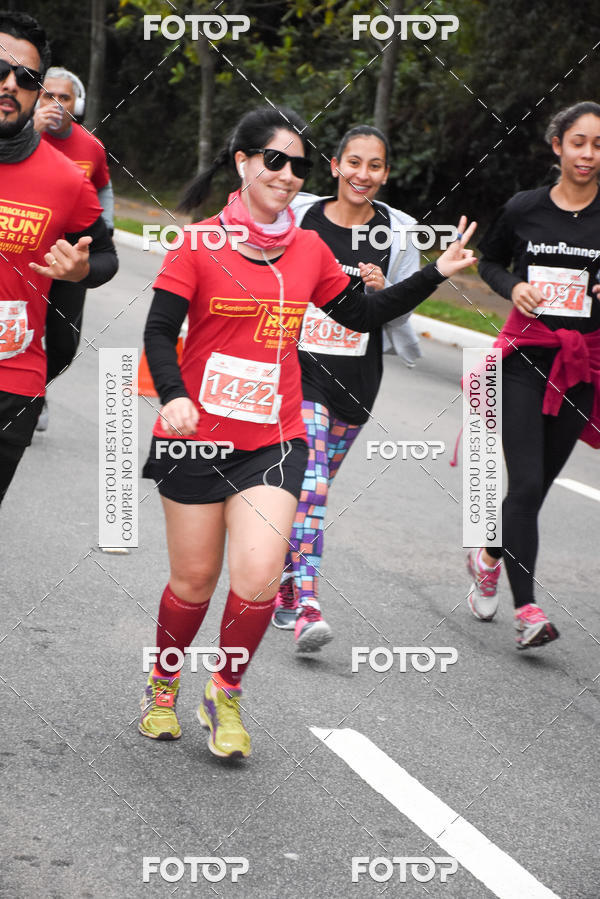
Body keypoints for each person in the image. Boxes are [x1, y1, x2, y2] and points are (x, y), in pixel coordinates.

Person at [139, 105, 477, 756]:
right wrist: (175, 396)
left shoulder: (307, 250)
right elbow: (158, 331)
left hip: (275, 439)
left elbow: (363, 314)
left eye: (298, 166)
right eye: (275, 160)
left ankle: (225, 692)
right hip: (197, 437)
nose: (288, 175)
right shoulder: (199, 244)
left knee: (260, 578)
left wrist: (434, 273)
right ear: (243, 162)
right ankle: (163, 682)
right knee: (193, 582)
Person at [270, 124, 424, 651]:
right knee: (311, 484)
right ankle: (309, 604)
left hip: (358, 378)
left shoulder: (397, 233)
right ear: (335, 166)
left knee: (311, 492)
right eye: (353, 162)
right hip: (301, 370)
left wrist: (385, 291)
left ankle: (286, 581)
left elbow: (402, 308)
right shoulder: (301, 217)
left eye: (374, 165)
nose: (363, 174)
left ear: (385, 173)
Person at [466, 101, 600, 649]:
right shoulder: (524, 208)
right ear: (557, 146)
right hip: (526, 359)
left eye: (598, 145)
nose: (588, 154)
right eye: (579, 142)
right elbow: (488, 260)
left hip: (582, 366)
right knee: (523, 483)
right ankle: (528, 611)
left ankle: (488, 555)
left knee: (536, 488)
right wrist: (513, 286)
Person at [0, 10, 118, 505]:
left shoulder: (67, 179)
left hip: (12, 382)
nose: (10, 84)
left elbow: (106, 256)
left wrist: (82, 269)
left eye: (26, 78)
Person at [33, 66, 115, 431]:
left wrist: (105, 228)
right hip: (24, 248)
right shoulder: (17, 136)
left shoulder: (91, 146)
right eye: (46, 95)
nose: (55, 104)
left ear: (76, 105)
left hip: (70, 256)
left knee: (63, 345)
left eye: (63, 97)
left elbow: (103, 187)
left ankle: (35, 391)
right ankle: (22, 398)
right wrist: (31, 132)